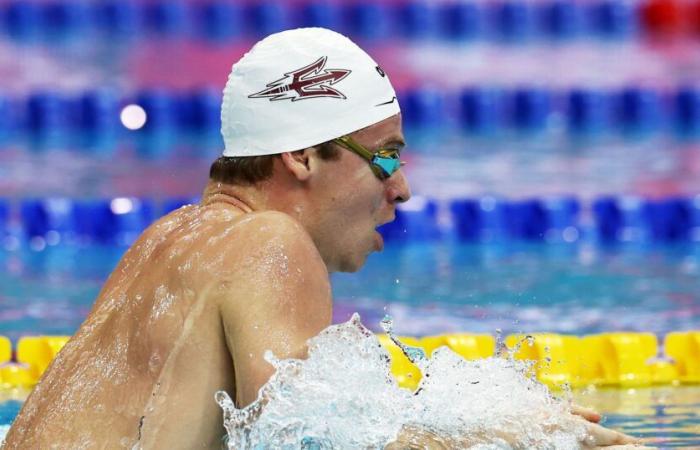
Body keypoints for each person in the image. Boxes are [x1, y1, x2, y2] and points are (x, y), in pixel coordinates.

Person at [4, 28, 648, 449]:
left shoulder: (169, 239)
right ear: (304, 157)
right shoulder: (270, 242)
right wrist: (518, 438)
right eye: (387, 158)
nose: (401, 190)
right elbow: (302, 438)